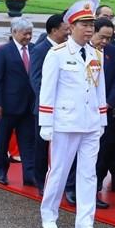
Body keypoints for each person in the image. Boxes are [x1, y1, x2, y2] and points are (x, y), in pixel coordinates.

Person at [37, 0, 107, 228]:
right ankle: (49, 215)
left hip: (90, 122)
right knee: (58, 171)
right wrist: (46, 123)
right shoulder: (56, 54)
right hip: (65, 122)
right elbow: (47, 90)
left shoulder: (96, 54)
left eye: (91, 25)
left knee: (88, 174)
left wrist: (102, 120)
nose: (89, 29)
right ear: (71, 26)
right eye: (84, 24)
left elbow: (99, 89)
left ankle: (85, 222)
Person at [0, 17, 36, 186]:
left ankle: (29, 175)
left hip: (28, 106)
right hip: (7, 106)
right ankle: (1, 172)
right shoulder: (3, 51)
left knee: (28, 142)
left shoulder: (34, 49)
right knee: (3, 141)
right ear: (14, 32)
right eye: (25, 34)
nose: (28, 37)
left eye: (30, 33)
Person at [30, 14, 70, 193]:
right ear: (54, 30)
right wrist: (53, 99)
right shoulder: (41, 50)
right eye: (65, 29)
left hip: (65, 109)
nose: (68, 33)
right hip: (45, 108)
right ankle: (40, 182)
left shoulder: (67, 48)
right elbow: (36, 80)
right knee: (42, 147)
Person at [90, 17, 115, 208]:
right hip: (85, 111)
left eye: (109, 38)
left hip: (106, 112)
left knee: (102, 154)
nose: (105, 41)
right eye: (102, 37)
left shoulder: (112, 51)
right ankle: (72, 189)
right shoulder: (83, 50)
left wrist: (110, 101)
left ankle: (95, 191)